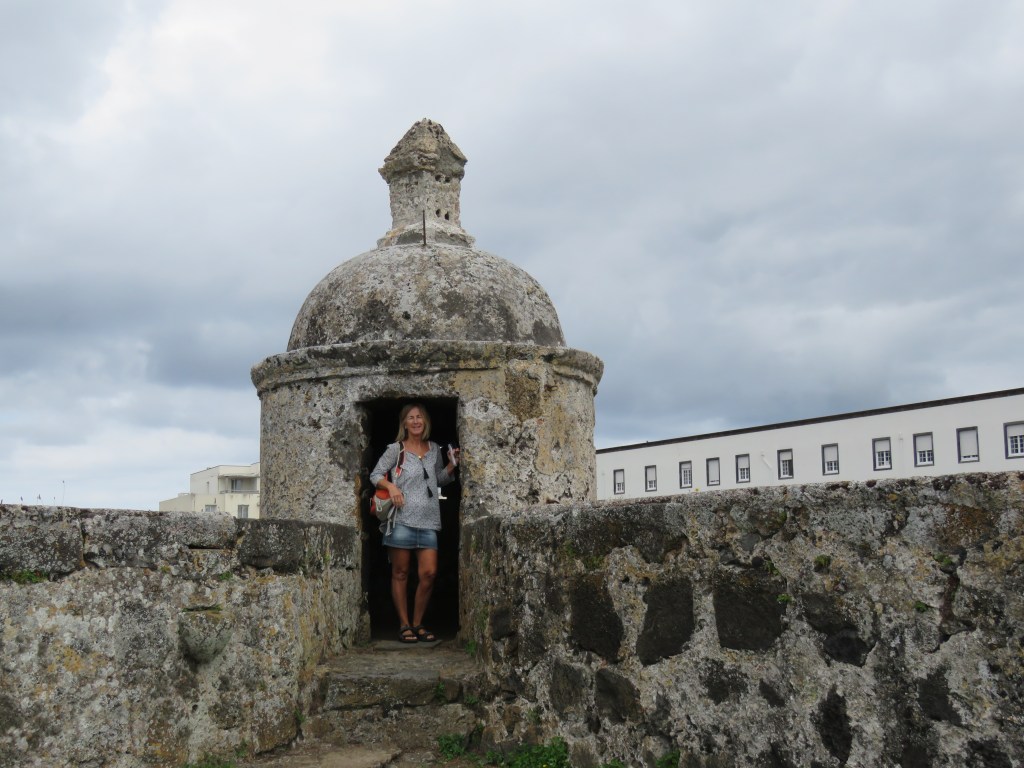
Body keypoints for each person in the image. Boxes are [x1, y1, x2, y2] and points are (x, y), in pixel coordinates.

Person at [370, 403, 459, 644]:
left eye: (420, 417)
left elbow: (438, 479)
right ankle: (404, 625)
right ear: (405, 423)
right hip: (401, 520)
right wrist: (391, 486)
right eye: (411, 418)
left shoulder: (434, 449)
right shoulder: (395, 449)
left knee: (429, 573)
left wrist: (451, 465)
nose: (416, 421)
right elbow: (375, 474)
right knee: (400, 573)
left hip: (429, 522)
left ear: (425, 421)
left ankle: (418, 622)